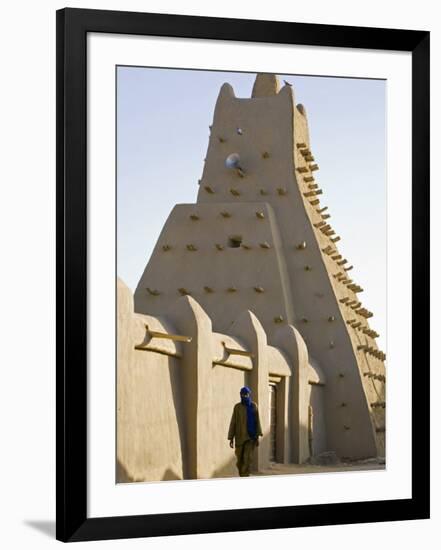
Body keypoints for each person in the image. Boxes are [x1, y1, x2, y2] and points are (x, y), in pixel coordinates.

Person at [228, 386, 263, 477]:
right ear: (240, 395)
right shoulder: (237, 407)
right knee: (239, 461)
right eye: (243, 394)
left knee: (247, 459)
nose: (245, 396)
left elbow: (257, 421)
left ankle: (245, 476)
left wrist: (257, 436)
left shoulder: (253, 406)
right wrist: (231, 437)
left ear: (249, 394)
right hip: (239, 438)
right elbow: (233, 422)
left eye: (246, 394)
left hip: (251, 438)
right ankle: (242, 474)